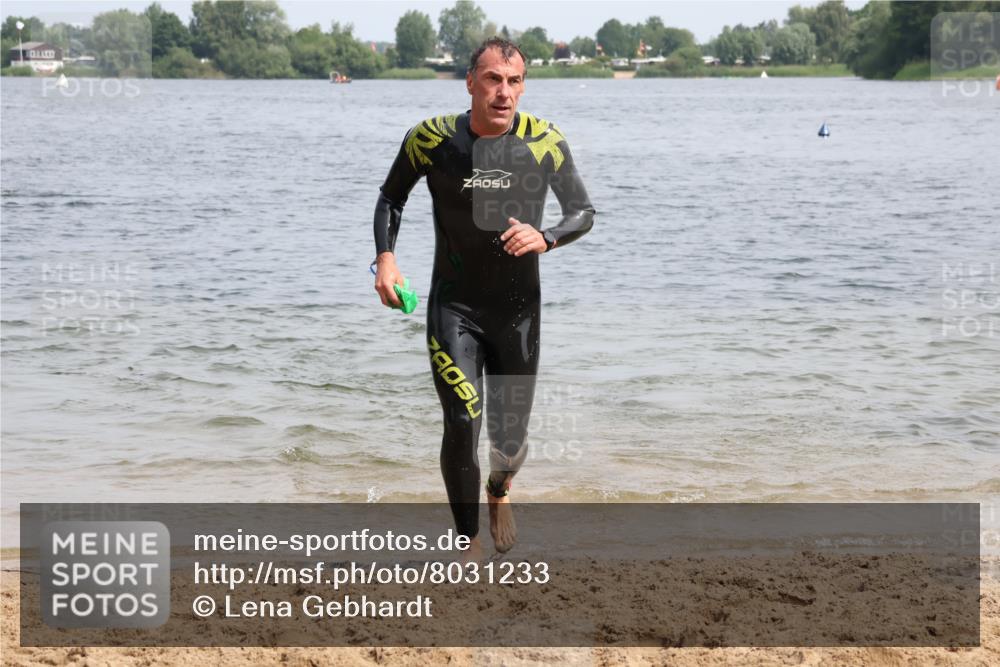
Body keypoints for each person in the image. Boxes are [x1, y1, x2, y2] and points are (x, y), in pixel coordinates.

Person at [372, 37, 595, 561]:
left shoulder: (544, 140)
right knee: (460, 419)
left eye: (514, 81)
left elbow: (583, 212)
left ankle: (499, 492)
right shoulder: (430, 140)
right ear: (470, 81)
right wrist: (385, 258)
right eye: (493, 79)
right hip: (454, 306)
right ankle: (465, 541)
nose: (504, 92)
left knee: (510, 442)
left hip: (518, 312)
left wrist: (547, 238)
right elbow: (391, 197)